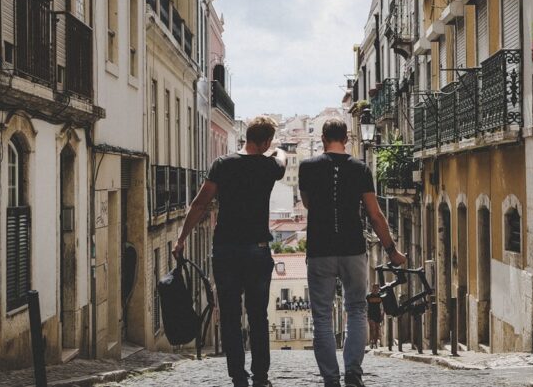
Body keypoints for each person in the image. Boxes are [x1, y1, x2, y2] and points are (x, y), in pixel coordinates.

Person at [172, 116, 286, 387]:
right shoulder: (270, 166)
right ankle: (261, 377)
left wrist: (181, 238)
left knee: (231, 317)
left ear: (246, 137)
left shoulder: (222, 165)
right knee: (258, 316)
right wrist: (276, 149)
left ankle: (238, 377)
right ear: (266, 141)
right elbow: (282, 158)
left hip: (225, 250)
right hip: (257, 250)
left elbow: (200, 204)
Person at [299, 118, 406, 387]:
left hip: (320, 249)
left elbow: (309, 204)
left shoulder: (307, 167)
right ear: (346, 139)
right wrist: (391, 250)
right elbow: (375, 214)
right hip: (353, 249)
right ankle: (354, 374)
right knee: (357, 310)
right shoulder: (360, 169)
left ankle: (331, 379)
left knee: (322, 315)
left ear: (323, 138)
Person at [366, 285, 383, 349]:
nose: (375, 289)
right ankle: (371, 341)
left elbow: (382, 305)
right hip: (371, 315)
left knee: (377, 329)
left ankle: (375, 342)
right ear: (372, 289)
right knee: (373, 328)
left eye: (377, 288)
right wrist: (367, 315)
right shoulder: (368, 296)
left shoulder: (380, 296)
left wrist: (382, 314)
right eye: (374, 288)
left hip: (378, 315)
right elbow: (366, 305)